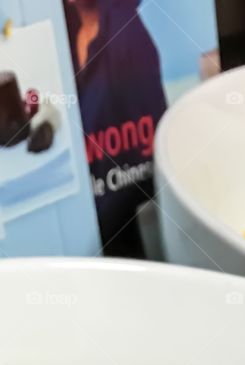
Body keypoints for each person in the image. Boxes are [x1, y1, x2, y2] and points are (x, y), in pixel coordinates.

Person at [64, 0, 168, 255]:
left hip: (128, 220)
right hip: (87, 222)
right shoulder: (64, 35)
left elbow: (154, 136)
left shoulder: (127, 32)